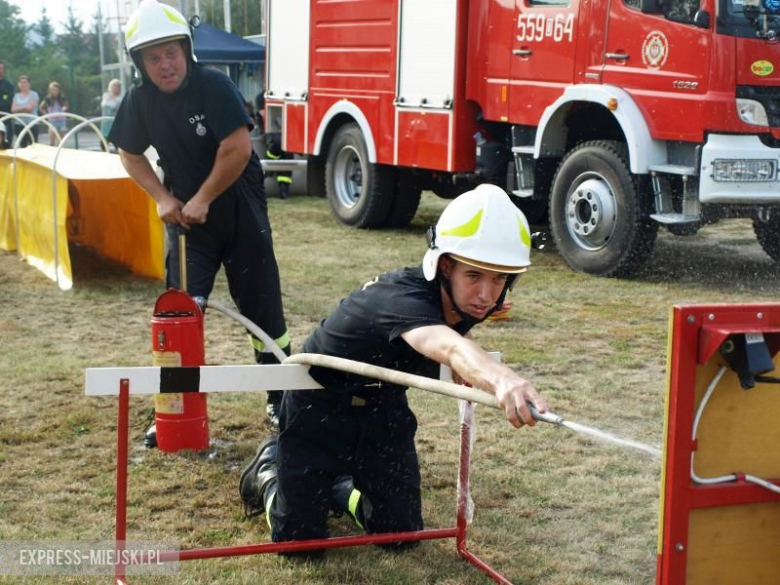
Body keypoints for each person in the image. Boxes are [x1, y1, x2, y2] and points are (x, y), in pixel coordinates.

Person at [239, 184, 548, 555]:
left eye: (499, 279)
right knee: (300, 547)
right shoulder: (403, 298)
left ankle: (336, 489)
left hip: (383, 410)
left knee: (399, 537)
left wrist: (465, 366)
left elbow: (444, 349)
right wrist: (503, 380)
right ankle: (270, 470)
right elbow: (447, 344)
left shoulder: (466, 300)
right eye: (475, 276)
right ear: (445, 266)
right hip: (317, 407)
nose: (487, 294)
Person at [109, 0, 289, 428]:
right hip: (188, 224)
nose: (164, 64)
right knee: (179, 313)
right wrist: (161, 197)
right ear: (140, 63)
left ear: (186, 50)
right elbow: (129, 153)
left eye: (171, 52)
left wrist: (204, 197)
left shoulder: (213, 85)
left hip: (240, 212)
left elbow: (237, 148)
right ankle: (175, 407)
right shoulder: (138, 101)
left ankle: (280, 400)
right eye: (153, 57)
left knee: (264, 311)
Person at [11, 75, 39, 147]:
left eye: (25, 82)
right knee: (23, 146)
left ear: (29, 84)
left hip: (32, 124)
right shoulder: (16, 96)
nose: (23, 84)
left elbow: (30, 109)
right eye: (21, 82)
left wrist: (19, 108)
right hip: (19, 124)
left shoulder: (34, 94)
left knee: (33, 145)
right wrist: (24, 107)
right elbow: (13, 110)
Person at [38, 81, 70, 146]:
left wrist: (63, 109)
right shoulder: (48, 99)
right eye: (53, 90)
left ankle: (60, 153)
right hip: (52, 122)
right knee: (51, 142)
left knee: (61, 142)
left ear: (59, 90)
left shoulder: (62, 98)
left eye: (56, 90)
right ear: (50, 91)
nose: (55, 91)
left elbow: (66, 106)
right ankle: (51, 154)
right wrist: (47, 115)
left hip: (62, 121)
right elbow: (41, 107)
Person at [264, 131, 292, 199]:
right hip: (288, 143)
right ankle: (284, 194)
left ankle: (267, 173)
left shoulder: (272, 136)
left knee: (267, 163)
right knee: (286, 171)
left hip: (277, 142)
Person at [0, 63, 14, 144]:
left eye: (1, 68)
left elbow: (9, 100)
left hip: (5, 117)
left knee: (6, 142)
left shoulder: (8, 84)